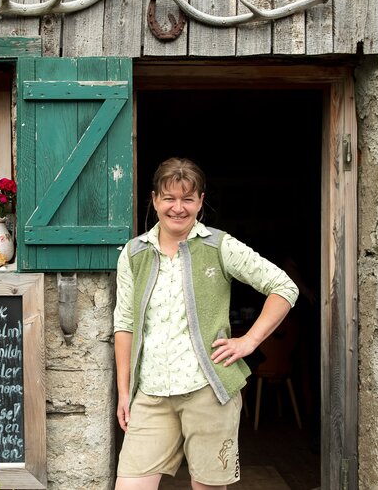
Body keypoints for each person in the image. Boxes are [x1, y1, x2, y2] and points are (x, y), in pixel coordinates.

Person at [113, 158, 299, 490]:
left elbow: (284, 287)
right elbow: (124, 323)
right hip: (151, 394)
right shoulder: (134, 253)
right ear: (155, 199)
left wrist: (249, 341)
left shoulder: (219, 246)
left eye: (188, 199)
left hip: (208, 392)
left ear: (200, 201)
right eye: (169, 198)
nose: (178, 208)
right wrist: (125, 392)